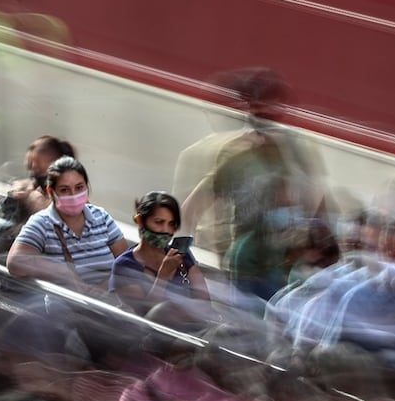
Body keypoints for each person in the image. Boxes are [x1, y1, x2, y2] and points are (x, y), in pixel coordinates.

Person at [178, 67, 327, 279]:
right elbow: (191, 210)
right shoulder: (236, 155)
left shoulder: (300, 152)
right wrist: (183, 264)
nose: (267, 121)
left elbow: (319, 209)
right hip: (247, 267)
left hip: (287, 267)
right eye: (260, 112)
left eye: (274, 112)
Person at [7, 157, 128, 293]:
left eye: (79, 188)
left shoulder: (101, 217)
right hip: (65, 306)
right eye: (64, 190)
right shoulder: (42, 223)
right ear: (51, 192)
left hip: (107, 303)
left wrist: (103, 289)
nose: (73, 195)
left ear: (87, 187)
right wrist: (64, 272)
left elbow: (126, 263)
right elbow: (15, 262)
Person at [109, 192, 209, 316]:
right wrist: (163, 276)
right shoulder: (125, 266)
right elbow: (146, 316)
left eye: (171, 224)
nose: (165, 230)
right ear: (140, 221)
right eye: (158, 222)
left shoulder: (181, 255)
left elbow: (204, 302)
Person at [0, 137, 76, 258]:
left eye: (38, 167)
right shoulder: (26, 185)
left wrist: (34, 201)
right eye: (30, 166)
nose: (33, 170)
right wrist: (11, 194)